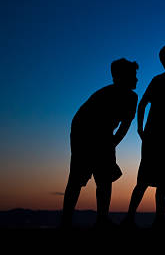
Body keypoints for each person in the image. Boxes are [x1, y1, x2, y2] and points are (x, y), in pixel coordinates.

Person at [60, 58, 139, 228]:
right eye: (132, 75)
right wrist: (107, 145)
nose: (136, 79)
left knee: (104, 177)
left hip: (103, 134)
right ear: (119, 77)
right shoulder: (104, 94)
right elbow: (84, 121)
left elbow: (124, 127)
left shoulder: (132, 97)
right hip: (83, 132)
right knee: (77, 177)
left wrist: (111, 145)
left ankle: (102, 218)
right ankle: (66, 221)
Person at [122, 44, 165, 228]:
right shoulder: (161, 81)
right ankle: (130, 218)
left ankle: (157, 218)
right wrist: (140, 128)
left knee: (162, 180)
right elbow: (144, 104)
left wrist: (141, 128)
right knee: (145, 179)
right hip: (157, 137)